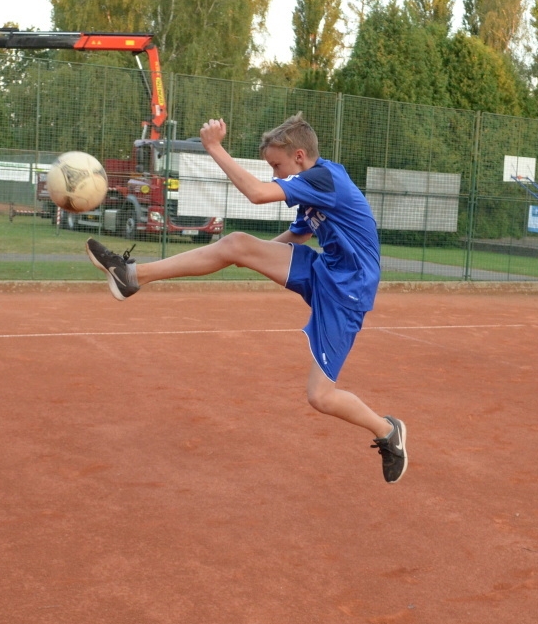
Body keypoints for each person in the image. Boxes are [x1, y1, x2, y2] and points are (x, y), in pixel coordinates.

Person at [86, 112, 407, 483]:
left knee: (320, 397)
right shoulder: (315, 183)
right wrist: (244, 254)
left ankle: (387, 431)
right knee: (236, 242)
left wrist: (213, 148)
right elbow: (299, 235)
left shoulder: (324, 178)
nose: (274, 174)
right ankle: (131, 276)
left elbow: (257, 194)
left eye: (277, 165)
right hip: (325, 271)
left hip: (348, 291)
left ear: (300, 157)